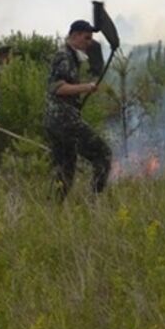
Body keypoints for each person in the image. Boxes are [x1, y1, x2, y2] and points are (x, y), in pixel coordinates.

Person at [44, 20, 112, 201]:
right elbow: (57, 88)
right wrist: (86, 87)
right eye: (86, 38)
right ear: (74, 35)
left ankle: (53, 208)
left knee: (65, 169)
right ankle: (94, 201)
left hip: (57, 120)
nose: (89, 43)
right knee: (103, 154)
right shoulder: (64, 56)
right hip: (64, 120)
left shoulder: (71, 57)